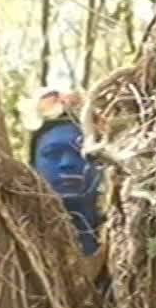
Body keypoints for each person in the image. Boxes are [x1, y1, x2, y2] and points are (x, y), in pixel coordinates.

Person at [19, 88, 104, 258]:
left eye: (80, 153)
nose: (67, 164)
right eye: (52, 154)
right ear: (33, 166)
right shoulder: (14, 242)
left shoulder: (129, 236)